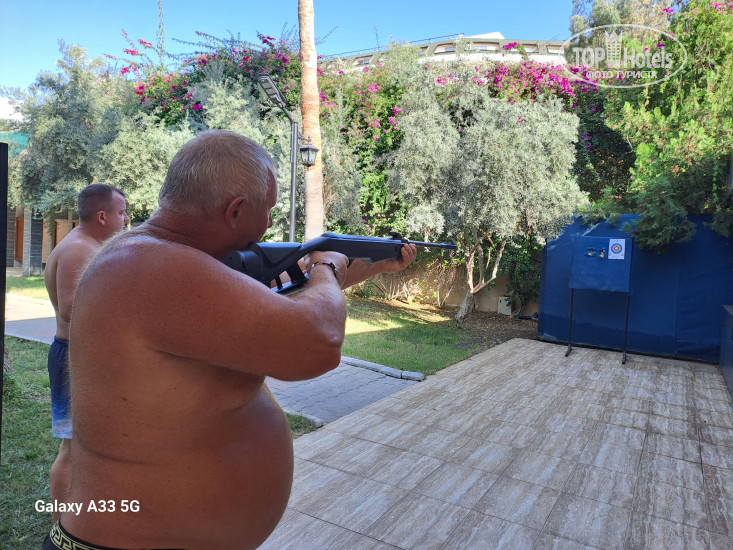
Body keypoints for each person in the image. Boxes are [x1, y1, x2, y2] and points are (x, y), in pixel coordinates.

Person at [44, 130, 416, 550]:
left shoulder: (162, 258)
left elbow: (282, 306)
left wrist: (371, 265)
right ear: (236, 210)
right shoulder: (155, 267)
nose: (270, 223)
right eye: (268, 210)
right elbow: (318, 341)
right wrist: (325, 266)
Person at [42, 184, 129, 522]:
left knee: (87, 445)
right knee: (72, 448)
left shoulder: (86, 245)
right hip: (72, 358)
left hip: (80, 356)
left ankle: (84, 520)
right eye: (121, 212)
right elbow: (70, 311)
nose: (125, 219)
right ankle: (59, 528)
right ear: (102, 216)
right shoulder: (80, 248)